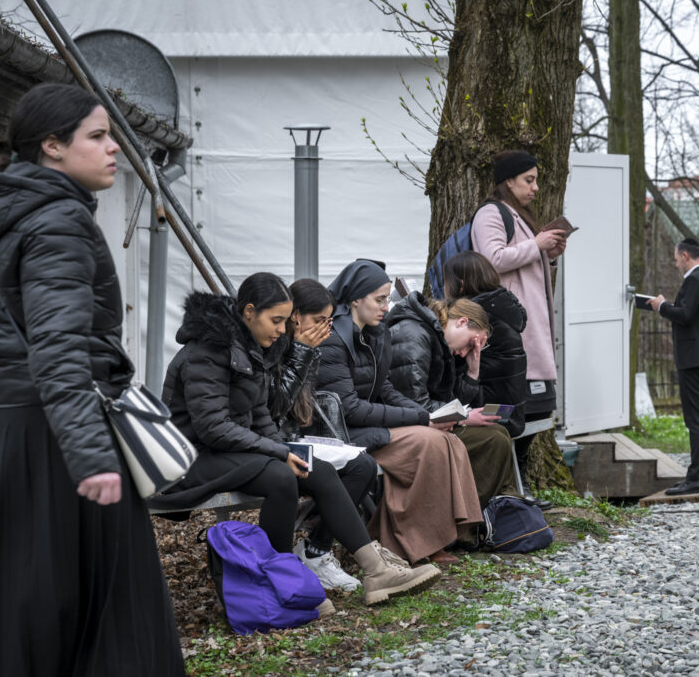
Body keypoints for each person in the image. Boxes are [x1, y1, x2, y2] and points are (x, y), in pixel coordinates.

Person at [0, 83, 184, 675]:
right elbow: (58, 348)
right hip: (57, 435)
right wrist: (92, 458)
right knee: (91, 606)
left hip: (7, 430)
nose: (114, 151)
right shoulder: (55, 222)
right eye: (97, 137)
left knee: (11, 597)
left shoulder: (9, 215)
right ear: (52, 146)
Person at [153, 272, 440, 606]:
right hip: (191, 458)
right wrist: (277, 451)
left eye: (284, 321)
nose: (280, 330)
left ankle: (376, 570)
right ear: (249, 312)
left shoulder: (250, 346)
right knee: (280, 476)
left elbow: (260, 414)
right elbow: (212, 428)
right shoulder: (207, 351)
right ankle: (281, 585)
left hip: (228, 450)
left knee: (311, 467)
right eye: (276, 321)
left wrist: (285, 449)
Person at [316, 259, 482, 564]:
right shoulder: (333, 341)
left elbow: (386, 389)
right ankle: (407, 542)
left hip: (363, 424)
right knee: (428, 443)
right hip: (338, 433)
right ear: (355, 299)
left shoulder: (374, 333)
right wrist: (421, 418)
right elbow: (349, 409)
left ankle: (433, 539)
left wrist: (431, 416)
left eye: (386, 299)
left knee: (448, 440)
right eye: (379, 299)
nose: (385, 307)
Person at [267, 277, 379, 590]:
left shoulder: (307, 346)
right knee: (326, 470)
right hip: (270, 443)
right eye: (318, 320)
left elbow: (300, 411)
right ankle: (290, 568)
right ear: (295, 316)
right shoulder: (272, 344)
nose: (325, 328)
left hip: (291, 437)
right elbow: (276, 407)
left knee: (363, 465)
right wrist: (302, 351)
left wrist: (307, 352)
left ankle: (316, 550)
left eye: (329, 321)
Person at [470, 150, 566, 490]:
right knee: (514, 416)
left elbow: (521, 267)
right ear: (508, 181)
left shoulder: (515, 215)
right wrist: (537, 244)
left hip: (527, 336)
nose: (536, 187)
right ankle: (510, 492)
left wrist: (547, 257)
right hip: (510, 341)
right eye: (529, 179)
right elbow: (491, 260)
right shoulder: (490, 214)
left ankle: (518, 488)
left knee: (535, 415)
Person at [386, 293, 519, 509]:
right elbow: (415, 405)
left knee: (498, 434)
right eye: (470, 343)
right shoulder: (414, 335)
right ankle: (469, 517)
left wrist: (472, 372)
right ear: (462, 322)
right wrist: (464, 418)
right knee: (494, 440)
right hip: (406, 427)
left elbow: (448, 400)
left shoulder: (435, 337)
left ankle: (483, 513)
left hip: (423, 422)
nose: (465, 352)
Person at [648, 238, 699, 495]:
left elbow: (685, 315)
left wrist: (662, 306)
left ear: (685, 255)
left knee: (695, 418)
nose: (675, 264)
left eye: (675, 259)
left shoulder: (694, 280)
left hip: (694, 357)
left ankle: (696, 477)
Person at [442, 251, 529, 439]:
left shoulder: (476, 315)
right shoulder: (503, 308)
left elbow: (452, 373)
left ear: (461, 282)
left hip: (483, 411)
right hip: (511, 411)